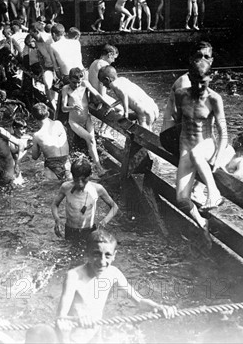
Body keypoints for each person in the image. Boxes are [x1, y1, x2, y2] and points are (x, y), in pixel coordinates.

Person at [56, 229, 176, 343]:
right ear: (87, 253)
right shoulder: (73, 276)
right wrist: (78, 319)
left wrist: (158, 306)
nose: (102, 262)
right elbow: (60, 319)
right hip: (71, 339)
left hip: (96, 335)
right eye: (96, 254)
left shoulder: (113, 273)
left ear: (114, 255)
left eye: (107, 255)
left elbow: (139, 301)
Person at [174, 59, 227, 244]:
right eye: (195, 80)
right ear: (189, 77)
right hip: (186, 148)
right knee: (181, 199)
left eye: (203, 81)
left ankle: (214, 193)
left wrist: (219, 158)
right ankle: (201, 223)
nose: (198, 85)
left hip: (206, 144)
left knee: (197, 153)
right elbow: (179, 124)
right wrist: (177, 150)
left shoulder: (214, 98)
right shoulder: (180, 94)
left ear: (210, 78)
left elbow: (223, 133)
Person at [161, 41, 214, 156]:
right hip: (171, 135)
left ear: (211, 60)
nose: (203, 60)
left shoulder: (201, 80)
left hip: (181, 132)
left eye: (206, 57)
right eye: (199, 56)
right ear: (191, 59)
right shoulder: (185, 81)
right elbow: (179, 115)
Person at [51, 158, 118, 244]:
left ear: (90, 176)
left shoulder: (97, 189)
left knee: (89, 255)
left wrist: (104, 222)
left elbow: (114, 207)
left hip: (89, 231)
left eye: (83, 180)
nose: (80, 183)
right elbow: (54, 205)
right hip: (70, 230)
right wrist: (57, 220)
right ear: (72, 175)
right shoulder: (66, 187)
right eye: (76, 179)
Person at [62, 68, 107, 174]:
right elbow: (63, 108)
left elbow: (96, 94)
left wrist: (107, 105)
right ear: (69, 79)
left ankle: (98, 167)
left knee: (92, 142)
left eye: (78, 82)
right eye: (74, 82)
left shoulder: (84, 84)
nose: (76, 85)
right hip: (74, 121)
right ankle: (97, 168)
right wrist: (72, 107)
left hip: (86, 118)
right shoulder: (66, 89)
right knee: (90, 138)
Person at [98, 66, 159, 130]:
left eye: (103, 82)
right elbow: (124, 97)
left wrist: (126, 113)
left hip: (144, 113)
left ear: (107, 79)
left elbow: (124, 95)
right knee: (147, 132)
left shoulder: (113, 84)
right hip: (152, 107)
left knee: (143, 135)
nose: (103, 85)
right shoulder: (122, 79)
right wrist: (112, 106)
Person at [30, 103, 72, 181]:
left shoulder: (37, 135)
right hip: (66, 162)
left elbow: (34, 157)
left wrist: (36, 146)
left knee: (52, 189)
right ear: (48, 113)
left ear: (34, 118)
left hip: (52, 165)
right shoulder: (59, 123)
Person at [29, 21, 58, 117]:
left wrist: (57, 71)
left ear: (37, 31)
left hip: (57, 67)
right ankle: (54, 108)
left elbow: (56, 55)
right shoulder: (37, 42)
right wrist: (43, 69)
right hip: (48, 67)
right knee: (47, 85)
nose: (32, 38)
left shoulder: (49, 39)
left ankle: (57, 106)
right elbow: (41, 57)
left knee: (55, 87)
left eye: (33, 34)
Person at [8, 118, 33, 183]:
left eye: (25, 129)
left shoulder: (27, 137)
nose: (24, 131)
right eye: (21, 129)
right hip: (15, 164)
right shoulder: (11, 138)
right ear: (14, 128)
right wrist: (26, 148)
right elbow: (13, 150)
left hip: (24, 164)